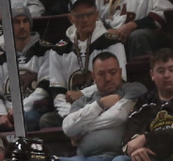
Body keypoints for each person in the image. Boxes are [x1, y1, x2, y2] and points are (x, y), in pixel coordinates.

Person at [60, 52, 148, 161]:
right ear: (94, 76)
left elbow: (118, 115)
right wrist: (100, 104)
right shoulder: (82, 102)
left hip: (119, 157)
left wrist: (83, 128)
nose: (108, 78)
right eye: (101, 74)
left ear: (120, 72)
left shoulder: (134, 89)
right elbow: (68, 128)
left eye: (113, 72)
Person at [40, 0, 128, 129]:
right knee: (46, 120)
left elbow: (119, 81)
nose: (85, 19)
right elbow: (57, 91)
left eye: (89, 14)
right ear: (71, 18)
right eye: (80, 16)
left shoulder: (112, 43)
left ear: (97, 14)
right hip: (72, 112)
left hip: (105, 106)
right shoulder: (58, 50)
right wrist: (70, 115)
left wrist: (82, 94)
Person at [0, 6, 54, 134]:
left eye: (25, 21)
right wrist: (1, 114)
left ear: (30, 24)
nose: (22, 26)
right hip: (6, 111)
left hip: (31, 109)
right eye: (16, 22)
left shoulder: (45, 50)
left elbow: (44, 88)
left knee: (30, 119)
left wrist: (19, 109)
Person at [100, 0, 173, 58]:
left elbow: (163, 14)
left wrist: (134, 25)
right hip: (111, 32)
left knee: (137, 36)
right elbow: (95, 17)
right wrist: (107, 29)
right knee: (100, 36)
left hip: (145, 31)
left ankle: (140, 76)